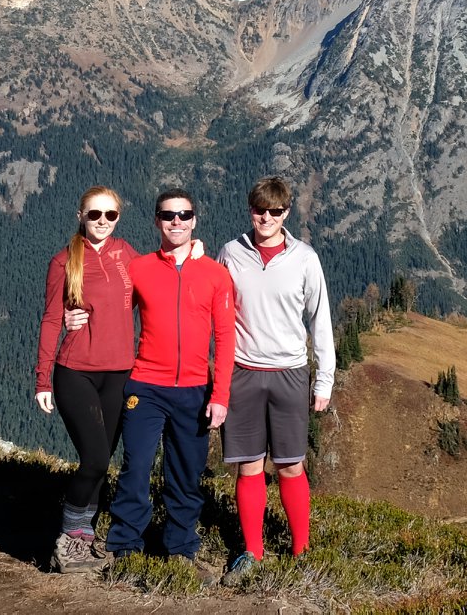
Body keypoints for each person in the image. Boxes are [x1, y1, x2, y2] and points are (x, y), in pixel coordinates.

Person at [102, 188, 237, 564]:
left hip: (195, 389)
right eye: (167, 215)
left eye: (183, 215)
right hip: (145, 385)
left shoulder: (216, 275)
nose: (175, 221)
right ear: (156, 221)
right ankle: (124, 546)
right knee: (136, 468)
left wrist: (220, 395)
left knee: (185, 475)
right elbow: (110, 310)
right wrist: (73, 316)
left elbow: (226, 338)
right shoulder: (139, 268)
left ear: (194, 220)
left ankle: (180, 549)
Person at [216, 175, 334, 586]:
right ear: (250, 209)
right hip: (244, 374)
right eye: (259, 209)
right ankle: (252, 551)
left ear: (286, 214)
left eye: (275, 211)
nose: (265, 217)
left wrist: (324, 382)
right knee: (248, 468)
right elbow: (216, 313)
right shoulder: (231, 252)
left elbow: (320, 320)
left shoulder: (305, 258)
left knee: (290, 466)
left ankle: (301, 550)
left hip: (289, 373)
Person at [34, 185, 138, 574]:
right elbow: (49, 319)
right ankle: (67, 538)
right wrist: (43, 380)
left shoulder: (126, 254)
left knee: (102, 461)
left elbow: (157, 288)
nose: (102, 222)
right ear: (81, 215)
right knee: (94, 460)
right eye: (94, 214)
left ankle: (85, 538)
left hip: (120, 373)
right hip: (75, 372)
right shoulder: (63, 261)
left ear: (118, 217)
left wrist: (189, 254)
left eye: (110, 215)